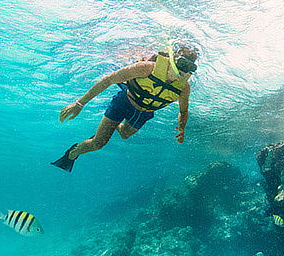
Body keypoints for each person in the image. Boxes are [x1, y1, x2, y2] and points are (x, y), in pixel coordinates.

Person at [51, 46, 198, 172]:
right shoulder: (146, 68)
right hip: (124, 102)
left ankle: (112, 124)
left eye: (187, 73)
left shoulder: (184, 87)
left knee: (125, 134)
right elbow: (109, 79)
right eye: (180, 70)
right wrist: (79, 104)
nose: (182, 76)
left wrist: (182, 127)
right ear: (171, 62)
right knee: (98, 143)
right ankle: (73, 152)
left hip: (144, 113)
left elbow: (183, 111)